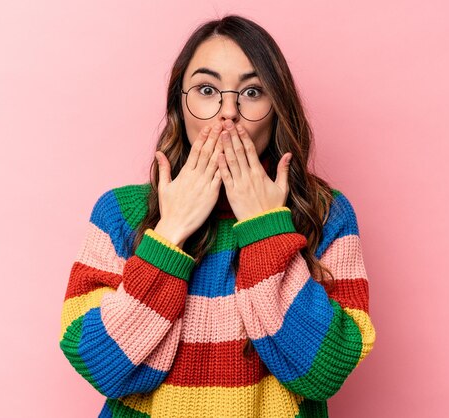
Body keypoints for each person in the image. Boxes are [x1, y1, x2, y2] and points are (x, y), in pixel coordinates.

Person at [59, 14, 376, 418]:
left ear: (278, 107)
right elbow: (102, 366)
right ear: (180, 102)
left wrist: (266, 229)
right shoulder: (121, 212)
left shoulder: (325, 213)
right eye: (207, 89)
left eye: (252, 91)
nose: (229, 112)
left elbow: (322, 373)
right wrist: (170, 233)